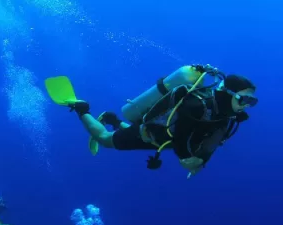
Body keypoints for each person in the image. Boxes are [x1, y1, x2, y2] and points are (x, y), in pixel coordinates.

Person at [44, 65, 258, 177]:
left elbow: (212, 139)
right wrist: (189, 161)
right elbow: (182, 139)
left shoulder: (226, 113)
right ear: (228, 93)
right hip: (153, 132)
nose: (247, 105)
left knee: (134, 132)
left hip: (162, 138)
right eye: (245, 99)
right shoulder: (197, 105)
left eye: (252, 101)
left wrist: (200, 162)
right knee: (105, 139)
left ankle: (113, 120)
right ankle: (82, 108)